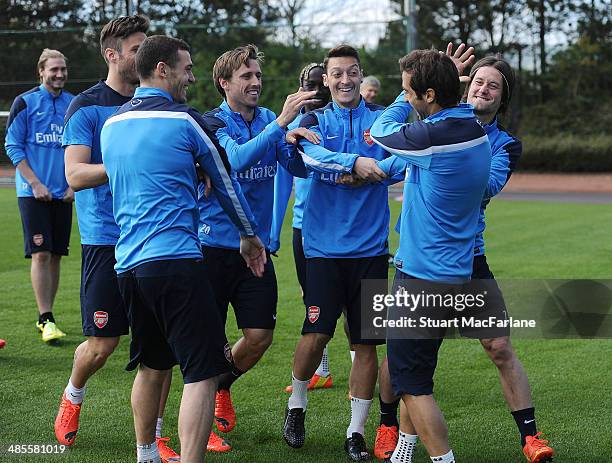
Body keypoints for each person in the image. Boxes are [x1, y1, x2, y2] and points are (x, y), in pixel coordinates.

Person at [101, 35, 264, 463]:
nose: (192, 76)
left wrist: (188, 172)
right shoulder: (185, 121)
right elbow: (225, 181)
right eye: (186, 68)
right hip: (176, 262)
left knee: (152, 365)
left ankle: (146, 454)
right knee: (203, 373)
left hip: (128, 266)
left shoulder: (112, 124)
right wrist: (249, 236)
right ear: (161, 70)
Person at [57, 15, 179, 462]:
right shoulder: (87, 107)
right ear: (113, 55)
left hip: (156, 241)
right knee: (103, 344)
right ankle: (73, 393)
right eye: (135, 48)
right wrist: (129, 164)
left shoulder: (161, 103)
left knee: (160, 353)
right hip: (106, 242)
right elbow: (74, 173)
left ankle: (156, 435)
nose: (145, 54)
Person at [368, 47, 491, 463]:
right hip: (452, 274)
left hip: (421, 278)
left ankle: (443, 459)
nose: (405, 96)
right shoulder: (473, 129)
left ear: (430, 95)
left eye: (409, 91)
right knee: (415, 372)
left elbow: (380, 129)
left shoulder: (431, 138)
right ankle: (404, 452)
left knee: (412, 386)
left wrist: (405, 99)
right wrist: (430, 83)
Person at [282, 44, 404, 461]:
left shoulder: (382, 120)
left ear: (360, 75)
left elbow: (404, 159)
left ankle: (355, 432)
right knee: (316, 334)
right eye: (337, 74)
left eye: (352, 72)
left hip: (370, 249)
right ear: (328, 79)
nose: (346, 80)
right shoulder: (314, 118)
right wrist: (352, 163)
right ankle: (296, 405)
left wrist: (376, 172)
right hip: (323, 249)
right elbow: (308, 154)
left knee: (366, 344)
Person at [198, 44, 316, 452]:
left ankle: (220, 385)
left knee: (260, 336)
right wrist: (281, 123)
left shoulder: (267, 119)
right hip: (213, 247)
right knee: (207, 340)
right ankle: (203, 421)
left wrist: (300, 140)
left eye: (258, 76)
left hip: (258, 251)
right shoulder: (212, 122)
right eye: (246, 76)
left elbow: (295, 166)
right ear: (224, 83)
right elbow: (235, 163)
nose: (255, 83)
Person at [464, 55, 554, 463]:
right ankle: (388, 426)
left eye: (492, 85)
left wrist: (461, 139)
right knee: (406, 348)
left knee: (499, 345)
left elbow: (486, 186)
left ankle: (531, 437)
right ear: (466, 87)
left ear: (502, 100)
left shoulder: (505, 144)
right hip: (422, 258)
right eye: (477, 82)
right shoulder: (435, 124)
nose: (482, 88)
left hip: (470, 257)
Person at [270, 62, 336, 393]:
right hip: (303, 225)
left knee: (355, 309)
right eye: (306, 84)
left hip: (339, 226)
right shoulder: (292, 126)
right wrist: (271, 233)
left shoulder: (332, 121)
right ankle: (321, 371)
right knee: (312, 301)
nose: (312, 91)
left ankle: (359, 372)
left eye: (318, 85)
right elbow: (283, 183)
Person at [4, 48, 74, 343]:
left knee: (56, 254)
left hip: (64, 194)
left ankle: (49, 314)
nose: (59, 74)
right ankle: (45, 318)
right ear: (41, 72)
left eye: (62, 69)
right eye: (53, 69)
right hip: (32, 193)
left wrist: (74, 184)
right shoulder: (26, 102)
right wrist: (34, 183)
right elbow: (13, 146)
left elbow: (81, 145)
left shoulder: (74, 104)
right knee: (41, 253)